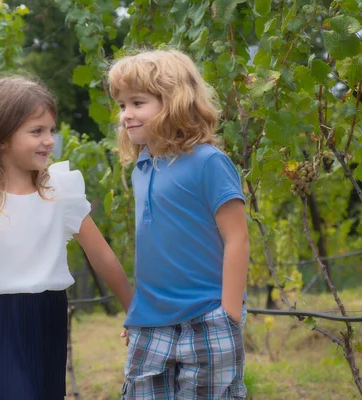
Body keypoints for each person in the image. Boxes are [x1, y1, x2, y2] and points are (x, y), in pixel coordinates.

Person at [0, 75, 133, 400]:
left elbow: (102, 256)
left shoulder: (60, 192)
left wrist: (133, 309)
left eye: (51, 130)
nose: (48, 141)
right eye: (36, 131)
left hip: (48, 318)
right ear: (0, 138)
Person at [108, 49, 249, 399]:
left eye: (137, 103)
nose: (126, 115)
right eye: (122, 105)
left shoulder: (208, 162)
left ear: (174, 101)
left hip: (207, 319)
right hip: (149, 324)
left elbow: (237, 239)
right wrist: (139, 313)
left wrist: (229, 315)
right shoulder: (142, 166)